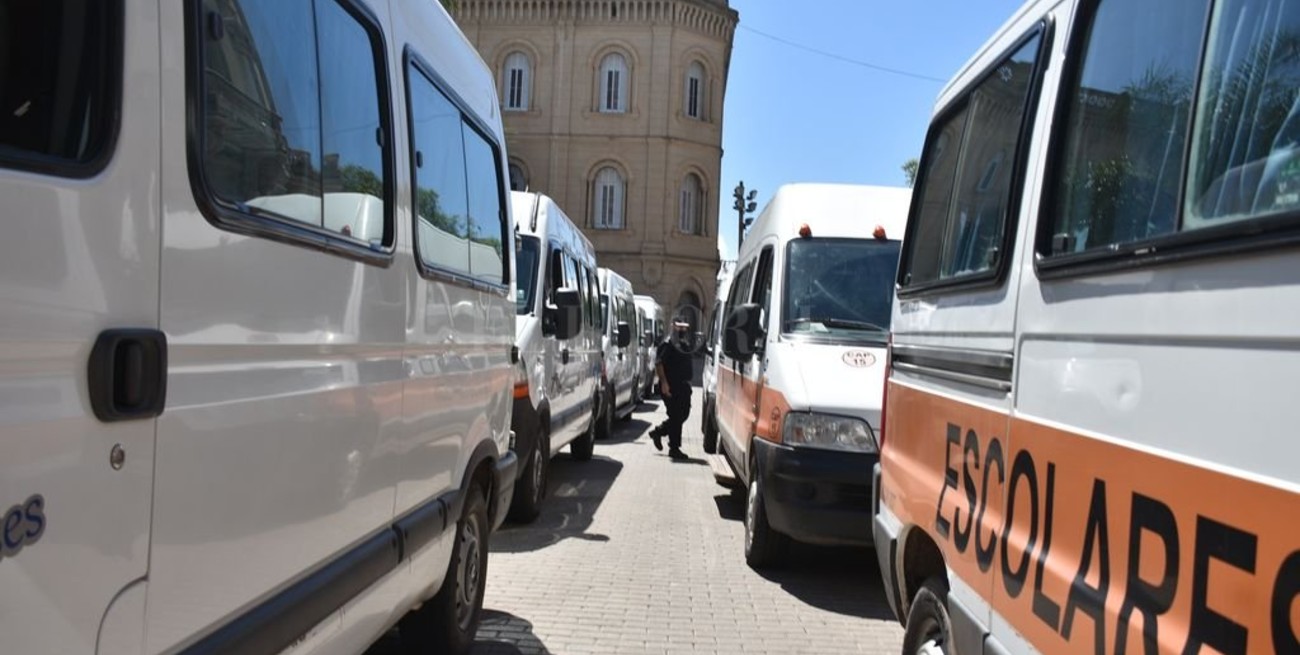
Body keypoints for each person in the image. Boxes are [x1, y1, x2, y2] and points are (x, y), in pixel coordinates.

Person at [648, 317, 694, 460]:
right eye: (679, 327)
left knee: (682, 414)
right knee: (676, 416)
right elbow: (659, 363)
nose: (682, 330)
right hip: (671, 386)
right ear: (673, 327)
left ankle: (659, 432)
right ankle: (674, 448)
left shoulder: (682, 343)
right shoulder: (668, 343)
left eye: (684, 327)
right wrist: (664, 383)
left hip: (682, 386)